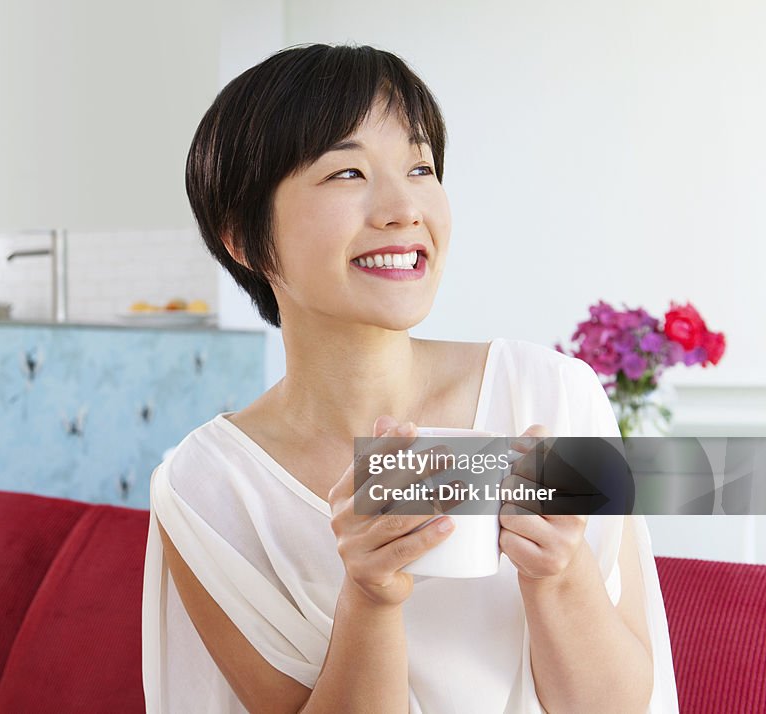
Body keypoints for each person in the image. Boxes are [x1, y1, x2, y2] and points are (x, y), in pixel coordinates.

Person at [142, 43, 677, 713]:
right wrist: (370, 596)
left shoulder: (549, 396)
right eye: (346, 173)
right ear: (244, 239)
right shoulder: (209, 487)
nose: (404, 208)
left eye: (420, 166)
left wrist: (559, 576)